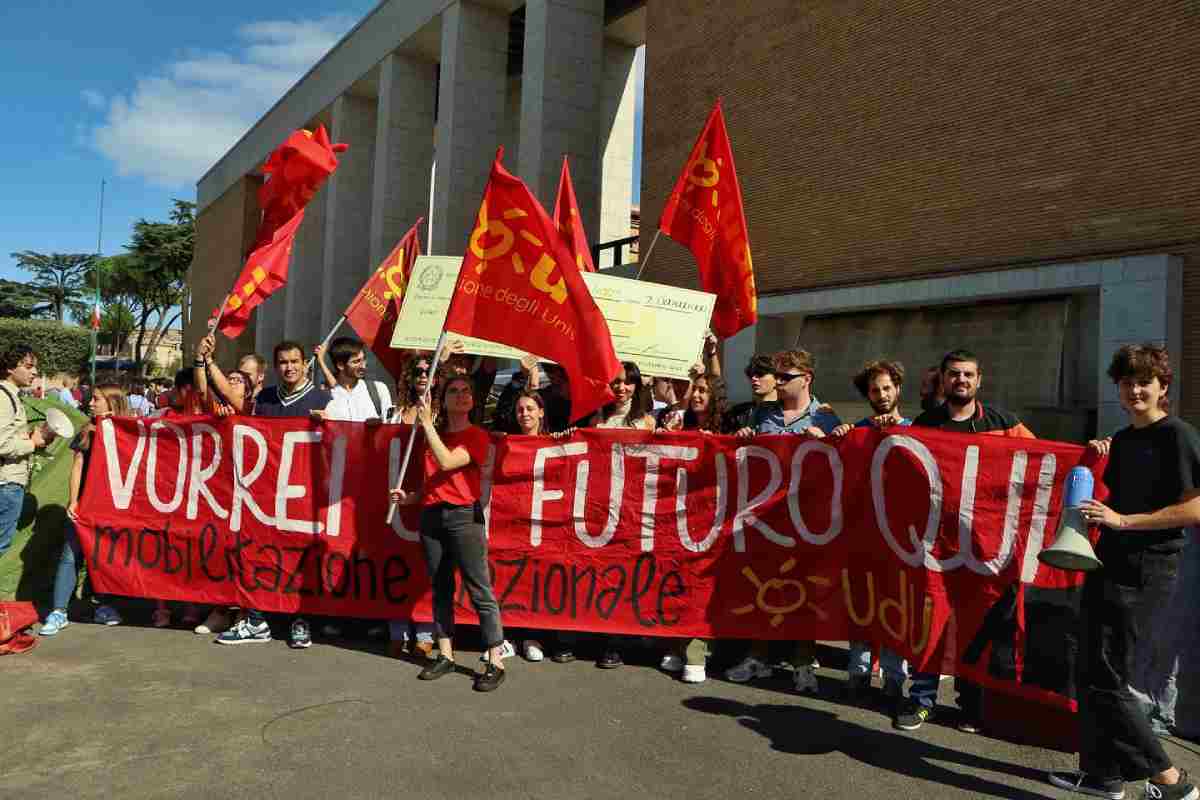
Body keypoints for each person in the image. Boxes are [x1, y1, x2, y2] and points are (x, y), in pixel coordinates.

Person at [1048, 344, 1199, 800]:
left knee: (1107, 677)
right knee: (1090, 668)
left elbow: (1195, 507)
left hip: (1146, 569)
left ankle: (1170, 781)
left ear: (1163, 387)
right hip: (1108, 562)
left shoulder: (1177, 435)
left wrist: (1123, 521)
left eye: (1144, 382)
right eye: (1127, 382)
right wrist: (1095, 457)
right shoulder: (1123, 438)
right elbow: (1103, 489)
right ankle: (1102, 775)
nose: (1135, 390)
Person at [895, 349, 1033, 734]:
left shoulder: (1004, 422)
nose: (961, 380)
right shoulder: (926, 423)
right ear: (943, 379)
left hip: (986, 545)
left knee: (977, 625)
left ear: (979, 380)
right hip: (936, 544)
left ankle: (971, 705)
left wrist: (1091, 454)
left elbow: (1041, 461)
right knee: (931, 620)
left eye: (968, 374)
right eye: (954, 374)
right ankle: (921, 700)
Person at [728, 349, 840, 694]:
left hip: (808, 520)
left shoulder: (825, 417)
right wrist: (745, 438)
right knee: (763, 585)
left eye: (784, 377)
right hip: (766, 517)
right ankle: (758, 656)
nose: (777, 382)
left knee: (807, 590)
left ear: (806, 378)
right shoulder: (762, 413)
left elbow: (841, 462)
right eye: (776, 375)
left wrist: (829, 443)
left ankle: (803, 663)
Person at [390, 375, 507, 692]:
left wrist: (427, 424)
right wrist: (411, 498)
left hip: (463, 517)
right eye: (454, 391)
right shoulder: (435, 435)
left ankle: (495, 659)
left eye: (466, 390)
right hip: (431, 516)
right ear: (443, 399)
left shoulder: (477, 436)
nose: (462, 395)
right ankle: (445, 654)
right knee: (440, 587)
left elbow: (447, 461)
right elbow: (433, 481)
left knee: (478, 588)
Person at [216, 341, 331, 648]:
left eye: (295, 361)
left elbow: (346, 440)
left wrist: (329, 424)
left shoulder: (322, 399)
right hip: (266, 493)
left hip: (304, 494)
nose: (289, 367)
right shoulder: (265, 398)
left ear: (305, 363)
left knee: (298, 560)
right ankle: (256, 620)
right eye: (283, 362)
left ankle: (300, 621)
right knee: (258, 553)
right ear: (275, 366)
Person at [829, 360, 912, 707]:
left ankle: (894, 678)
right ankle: (859, 672)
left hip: (901, 537)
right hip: (862, 532)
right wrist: (837, 438)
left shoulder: (916, 429)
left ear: (897, 389)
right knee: (862, 604)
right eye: (875, 390)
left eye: (887, 388)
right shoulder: (856, 432)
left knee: (896, 606)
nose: (881, 394)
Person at [40, 384, 131, 635]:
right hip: (86, 504)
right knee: (71, 555)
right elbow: (77, 467)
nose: (90, 403)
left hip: (113, 508)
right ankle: (59, 611)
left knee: (105, 557)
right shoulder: (86, 430)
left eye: (97, 400)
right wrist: (74, 501)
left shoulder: (128, 431)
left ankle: (104, 605)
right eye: (91, 399)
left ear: (113, 404)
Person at [0, 344, 49, 559]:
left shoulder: (10, 396)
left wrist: (30, 438)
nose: (34, 372)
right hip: (7, 483)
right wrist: (33, 444)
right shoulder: (4, 397)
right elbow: (2, 445)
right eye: (28, 366)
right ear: (10, 368)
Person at [321, 337, 393, 423]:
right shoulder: (326, 395)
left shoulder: (378, 389)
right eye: (356, 362)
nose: (363, 366)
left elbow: (390, 425)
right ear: (340, 365)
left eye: (364, 359)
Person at [723, 354, 779, 433]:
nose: (754, 378)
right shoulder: (738, 412)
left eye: (760, 374)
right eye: (751, 374)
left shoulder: (787, 410)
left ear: (777, 378)